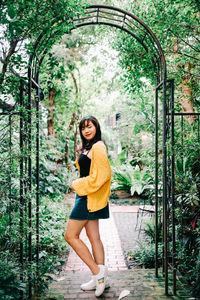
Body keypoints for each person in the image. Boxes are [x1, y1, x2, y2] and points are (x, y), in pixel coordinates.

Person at [64, 116, 111, 297]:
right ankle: (101, 280)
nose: (86, 131)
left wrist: (77, 184)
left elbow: (103, 175)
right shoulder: (89, 147)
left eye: (89, 126)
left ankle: (97, 273)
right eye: (83, 128)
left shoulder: (98, 146)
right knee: (94, 238)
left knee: (70, 235)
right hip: (85, 196)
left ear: (96, 127)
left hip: (87, 196)